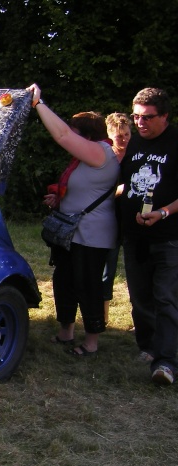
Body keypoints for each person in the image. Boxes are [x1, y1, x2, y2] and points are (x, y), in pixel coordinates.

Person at [28, 83, 119, 357]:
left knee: (87, 284)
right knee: (64, 279)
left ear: (89, 136)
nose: (73, 141)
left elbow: (63, 135)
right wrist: (60, 200)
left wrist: (37, 104)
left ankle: (91, 342)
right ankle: (66, 332)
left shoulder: (102, 152)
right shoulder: (84, 159)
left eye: (79, 135)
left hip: (91, 235)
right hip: (71, 233)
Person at [118, 87, 178, 385]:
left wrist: (164, 212)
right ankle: (148, 347)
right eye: (136, 116)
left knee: (166, 297)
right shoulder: (132, 142)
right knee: (140, 296)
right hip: (134, 235)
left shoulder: (175, 142)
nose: (140, 123)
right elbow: (124, 181)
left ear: (164, 116)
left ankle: (166, 363)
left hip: (168, 235)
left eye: (147, 117)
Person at [101, 113, 133, 323]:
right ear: (109, 135)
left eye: (127, 135)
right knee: (106, 272)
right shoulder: (103, 159)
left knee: (138, 273)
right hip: (109, 221)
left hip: (133, 221)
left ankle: (139, 318)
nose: (123, 140)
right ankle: (103, 319)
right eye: (118, 136)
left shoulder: (137, 156)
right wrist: (117, 191)